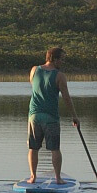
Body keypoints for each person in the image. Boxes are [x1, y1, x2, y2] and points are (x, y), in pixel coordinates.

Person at [27, 47, 79, 185]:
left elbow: (33, 85)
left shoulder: (34, 70)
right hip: (50, 117)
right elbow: (66, 98)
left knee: (33, 147)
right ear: (54, 59)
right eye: (61, 59)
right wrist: (74, 116)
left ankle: (33, 177)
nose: (63, 62)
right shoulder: (59, 75)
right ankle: (58, 178)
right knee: (55, 148)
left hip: (34, 116)